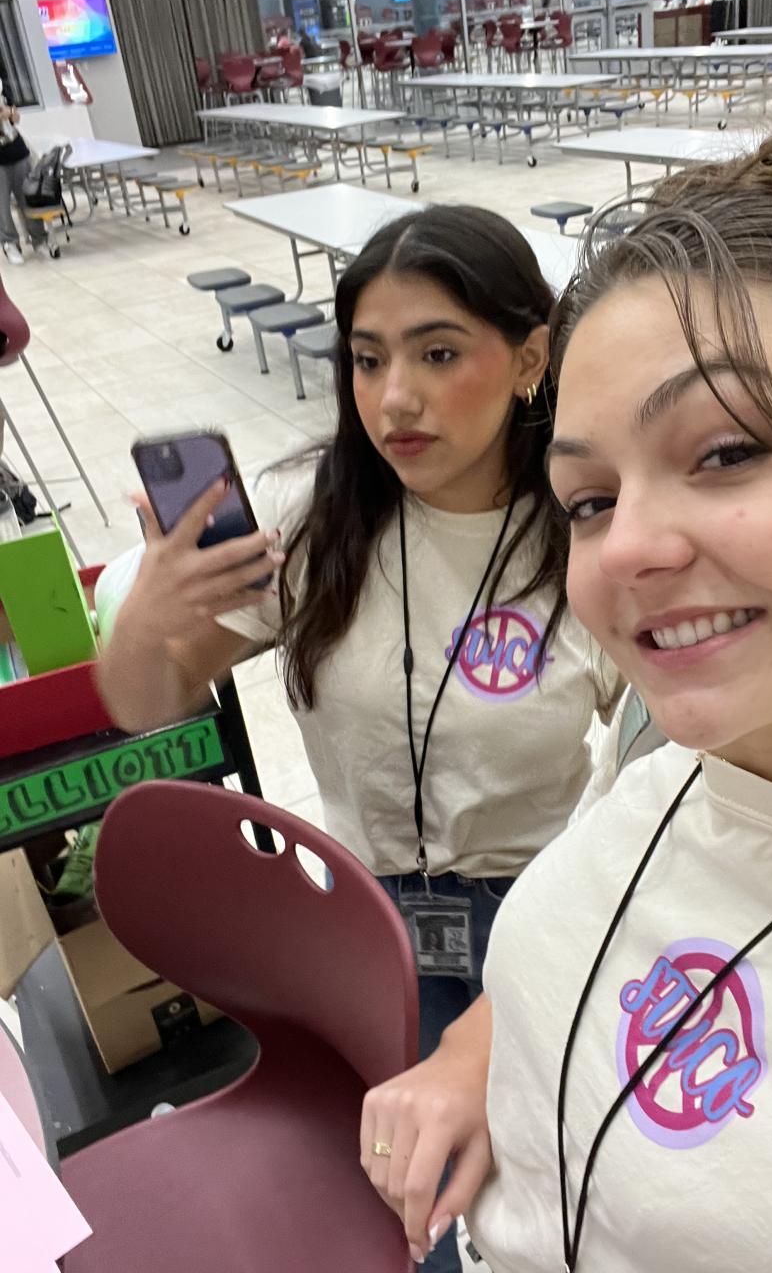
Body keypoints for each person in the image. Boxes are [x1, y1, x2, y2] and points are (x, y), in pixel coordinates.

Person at [360, 86, 772, 1272]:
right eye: (589, 498)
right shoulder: (671, 735)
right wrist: (483, 1056)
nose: (623, 548)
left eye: (725, 450)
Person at [96, 205, 620, 1273]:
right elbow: (147, 703)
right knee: (404, 1198)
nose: (394, 399)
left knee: (549, 1184)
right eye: (368, 359)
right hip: (365, 915)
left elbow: (676, 760)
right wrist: (149, 619)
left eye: (439, 353)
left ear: (532, 358)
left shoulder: (588, 528)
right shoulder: (315, 512)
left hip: (542, 913)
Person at [0, 91, 43, 266]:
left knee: (28, 199)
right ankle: (10, 244)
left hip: (17, 151)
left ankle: (39, 239)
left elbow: (15, 118)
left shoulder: (3, 89)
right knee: (2, 206)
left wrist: (10, 112)